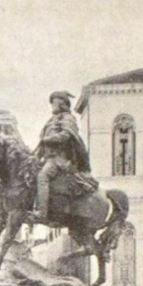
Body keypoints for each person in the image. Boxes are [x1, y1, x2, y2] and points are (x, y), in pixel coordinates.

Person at [31, 90, 92, 223]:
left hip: (60, 160)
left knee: (43, 176)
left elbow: (66, 135)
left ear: (63, 104)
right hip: (48, 158)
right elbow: (43, 144)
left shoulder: (68, 118)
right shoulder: (51, 121)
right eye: (52, 103)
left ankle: (41, 212)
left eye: (55, 103)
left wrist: (48, 139)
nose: (52, 106)